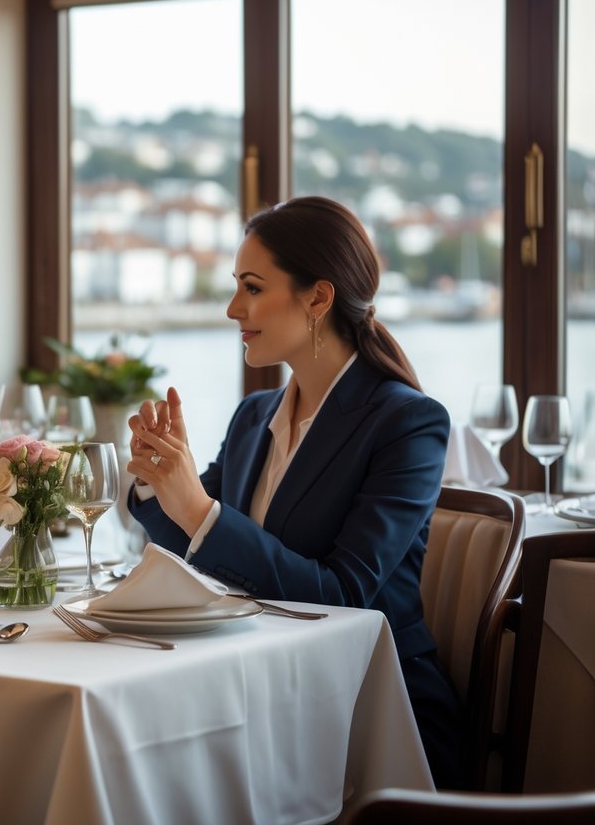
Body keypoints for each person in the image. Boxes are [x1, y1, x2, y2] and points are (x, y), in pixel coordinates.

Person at [125, 196, 462, 788]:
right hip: (257, 688)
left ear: (319, 297)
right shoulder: (255, 416)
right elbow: (193, 540)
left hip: (373, 710)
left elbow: (343, 593)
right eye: (236, 287)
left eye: (252, 288)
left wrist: (197, 507)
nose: (233, 308)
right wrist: (156, 481)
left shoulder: (407, 424)